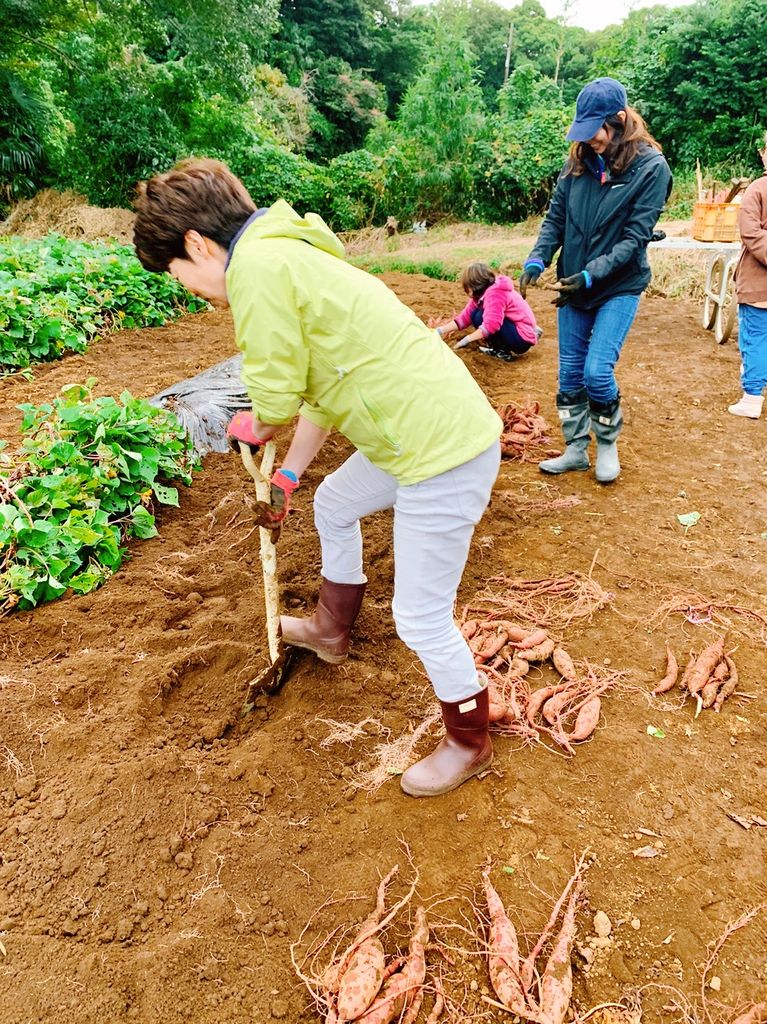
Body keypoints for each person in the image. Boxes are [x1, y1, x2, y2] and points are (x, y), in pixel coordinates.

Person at [133, 159, 503, 799]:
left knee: (419, 616)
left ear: (195, 245)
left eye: (179, 276)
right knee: (333, 503)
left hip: (438, 452)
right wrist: (289, 479)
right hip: (413, 438)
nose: (191, 290)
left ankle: (469, 738)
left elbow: (273, 391)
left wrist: (257, 424)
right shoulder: (290, 258)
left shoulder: (258, 270)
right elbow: (323, 393)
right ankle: (331, 630)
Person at [518, 77, 672, 483]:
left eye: (596, 132)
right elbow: (556, 220)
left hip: (617, 285)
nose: (590, 141)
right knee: (569, 373)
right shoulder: (578, 163)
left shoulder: (651, 168)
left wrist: (591, 274)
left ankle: (606, 445)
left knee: (596, 372)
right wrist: (537, 258)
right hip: (575, 283)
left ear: (619, 120)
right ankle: (575, 449)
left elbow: (634, 239)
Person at [729, 130, 767, 419]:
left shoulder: (757, 189)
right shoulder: (757, 189)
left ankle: (752, 397)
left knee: (755, 337)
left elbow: (750, 234)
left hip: (758, 285)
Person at [432, 262, 540, 361]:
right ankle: (499, 348)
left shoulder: (495, 294)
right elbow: (464, 319)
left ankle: (502, 351)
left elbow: (491, 325)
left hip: (522, 339)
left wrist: (467, 340)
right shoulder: (480, 295)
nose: (466, 290)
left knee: (480, 316)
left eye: (467, 287)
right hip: (516, 329)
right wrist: (439, 331)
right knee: (475, 314)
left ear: (475, 285)